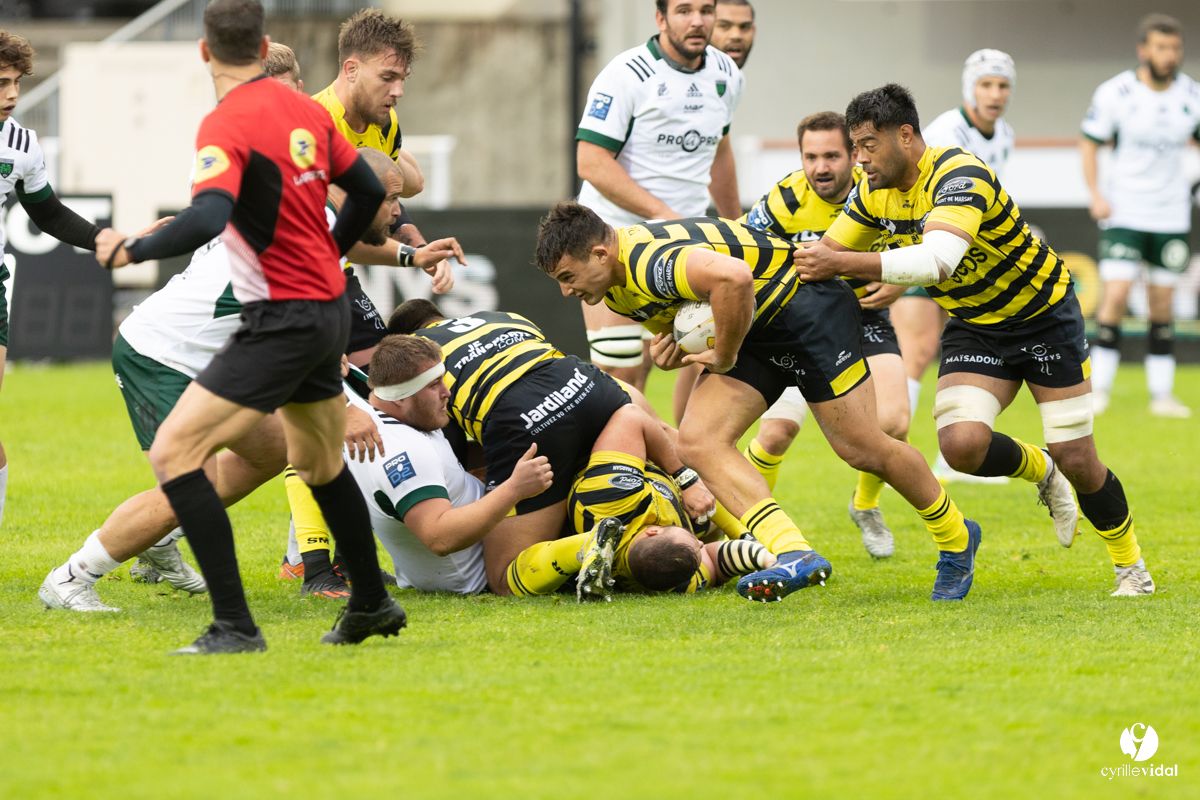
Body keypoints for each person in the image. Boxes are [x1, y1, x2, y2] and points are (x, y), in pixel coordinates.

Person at [93, 0, 404, 653]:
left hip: (281, 319)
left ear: (206, 54)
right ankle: (371, 603)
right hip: (327, 311)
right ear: (265, 47)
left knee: (175, 454)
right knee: (320, 462)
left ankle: (234, 626)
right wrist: (331, 250)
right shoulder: (306, 114)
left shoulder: (224, 121)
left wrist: (132, 249)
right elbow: (372, 191)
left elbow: (208, 216)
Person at [39, 136, 432, 611]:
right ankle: (71, 577)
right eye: (390, 199)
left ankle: (161, 538)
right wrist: (344, 408)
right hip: (160, 355)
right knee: (190, 489)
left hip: (204, 355)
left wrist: (412, 257)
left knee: (271, 450)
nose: (397, 213)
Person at [796, 83, 1154, 597]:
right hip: (976, 325)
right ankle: (1041, 471)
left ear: (905, 135)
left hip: (1044, 317)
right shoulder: (871, 192)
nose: (859, 160)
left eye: (867, 146)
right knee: (961, 446)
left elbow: (937, 260)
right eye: (855, 148)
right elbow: (823, 257)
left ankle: (1131, 567)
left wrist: (844, 263)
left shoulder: (961, 173)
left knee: (1078, 455)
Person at [536, 205, 983, 602]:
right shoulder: (614, 287)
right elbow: (696, 309)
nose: (565, 293)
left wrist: (725, 355)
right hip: (757, 327)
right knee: (698, 441)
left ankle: (957, 536)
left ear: (599, 254)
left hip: (806, 311)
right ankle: (794, 553)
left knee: (862, 448)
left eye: (567, 278)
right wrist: (670, 344)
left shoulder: (647, 262)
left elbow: (734, 277)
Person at [386, 300, 718, 597]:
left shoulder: (420, 359)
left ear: (408, 340)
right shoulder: (503, 316)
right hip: (592, 386)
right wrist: (684, 476)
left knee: (503, 577)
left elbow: (450, 452)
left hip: (525, 419)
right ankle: (729, 527)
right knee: (662, 433)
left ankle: (588, 545)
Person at [739, 111, 903, 558]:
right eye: (810, 156)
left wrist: (904, 280)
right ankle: (747, 527)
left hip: (864, 319)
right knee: (773, 436)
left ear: (854, 155)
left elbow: (928, 242)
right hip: (796, 326)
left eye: (832, 155)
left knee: (894, 424)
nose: (821, 167)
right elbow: (740, 248)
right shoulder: (784, 199)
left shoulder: (880, 190)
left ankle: (865, 506)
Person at [575, 0, 743, 391]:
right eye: (684, 10)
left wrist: (737, 228)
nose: (697, 21)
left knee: (693, 361)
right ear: (660, 18)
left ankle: (682, 451)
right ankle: (625, 453)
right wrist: (662, 213)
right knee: (620, 374)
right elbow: (591, 161)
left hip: (683, 242)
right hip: (611, 239)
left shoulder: (728, 74)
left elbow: (719, 151)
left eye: (705, 10)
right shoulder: (626, 73)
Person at [0, 31, 117, 534]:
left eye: (16, 84)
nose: (11, 94)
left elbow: (47, 214)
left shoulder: (20, 144)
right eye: (1, 83)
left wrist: (108, 240)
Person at [891, 49, 1018, 485]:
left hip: (968, 260)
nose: (995, 94)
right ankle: (893, 453)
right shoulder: (948, 130)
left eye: (1002, 85)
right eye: (986, 84)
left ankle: (954, 456)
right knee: (919, 349)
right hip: (926, 246)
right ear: (970, 87)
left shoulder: (1005, 135)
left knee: (965, 351)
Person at [342, 335, 553, 594]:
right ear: (400, 397)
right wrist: (515, 488)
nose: (447, 391)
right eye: (433, 385)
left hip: (481, 542)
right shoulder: (402, 449)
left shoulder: (378, 411)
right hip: (482, 573)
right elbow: (439, 536)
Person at [505, 403, 774, 601]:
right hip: (653, 488)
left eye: (694, 543)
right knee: (699, 480)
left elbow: (630, 416)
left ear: (653, 530)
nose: (700, 544)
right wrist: (765, 558)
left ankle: (586, 545)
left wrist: (685, 478)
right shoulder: (675, 580)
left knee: (503, 580)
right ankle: (583, 550)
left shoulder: (613, 499)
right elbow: (718, 563)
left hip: (577, 445)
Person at [1082, 13, 1199, 419]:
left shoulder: (1191, 95)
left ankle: (1162, 395)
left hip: (1170, 217)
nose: (1169, 56)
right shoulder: (1117, 92)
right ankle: (1099, 390)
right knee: (1114, 296)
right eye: (1161, 48)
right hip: (1126, 211)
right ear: (1143, 50)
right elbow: (1089, 143)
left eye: (1175, 49)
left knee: (1162, 305)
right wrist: (1096, 194)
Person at [312, 8, 453, 293]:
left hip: (335, 268)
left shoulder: (386, 123)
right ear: (351, 70)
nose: (398, 91)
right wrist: (413, 256)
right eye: (387, 77)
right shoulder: (315, 126)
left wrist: (425, 252)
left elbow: (387, 204)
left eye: (402, 79)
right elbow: (338, 236)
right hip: (300, 274)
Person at [708, 0, 755, 69]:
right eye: (724, 26)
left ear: (753, 31)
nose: (736, 36)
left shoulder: (738, 78)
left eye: (744, 27)